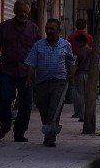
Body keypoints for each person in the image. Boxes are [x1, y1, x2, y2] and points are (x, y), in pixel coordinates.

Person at [25, 19, 76, 147]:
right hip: (41, 83)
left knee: (55, 109)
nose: (49, 31)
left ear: (59, 31)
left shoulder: (65, 45)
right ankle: (48, 131)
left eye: (52, 29)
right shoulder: (38, 45)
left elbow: (71, 61)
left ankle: (50, 138)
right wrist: (29, 78)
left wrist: (71, 74)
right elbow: (31, 63)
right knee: (44, 110)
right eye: (47, 29)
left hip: (59, 83)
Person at [0, 0, 41, 142]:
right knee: (4, 99)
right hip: (7, 71)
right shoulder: (3, 27)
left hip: (26, 73)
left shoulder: (34, 28)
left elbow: (38, 50)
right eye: (20, 11)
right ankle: (4, 125)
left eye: (25, 11)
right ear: (14, 11)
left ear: (28, 12)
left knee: (26, 104)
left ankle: (19, 133)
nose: (23, 14)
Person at [72, 34, 92, 122]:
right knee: (88, 95)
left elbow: (75, 64)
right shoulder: (91, 51)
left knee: (79, 95)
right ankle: (88, 114)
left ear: (82, 42)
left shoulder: (79, 51)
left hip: (79, 74)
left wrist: (71, 75)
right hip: (88, 75)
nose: (77, 44)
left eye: (78, 42)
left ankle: (81, 115)